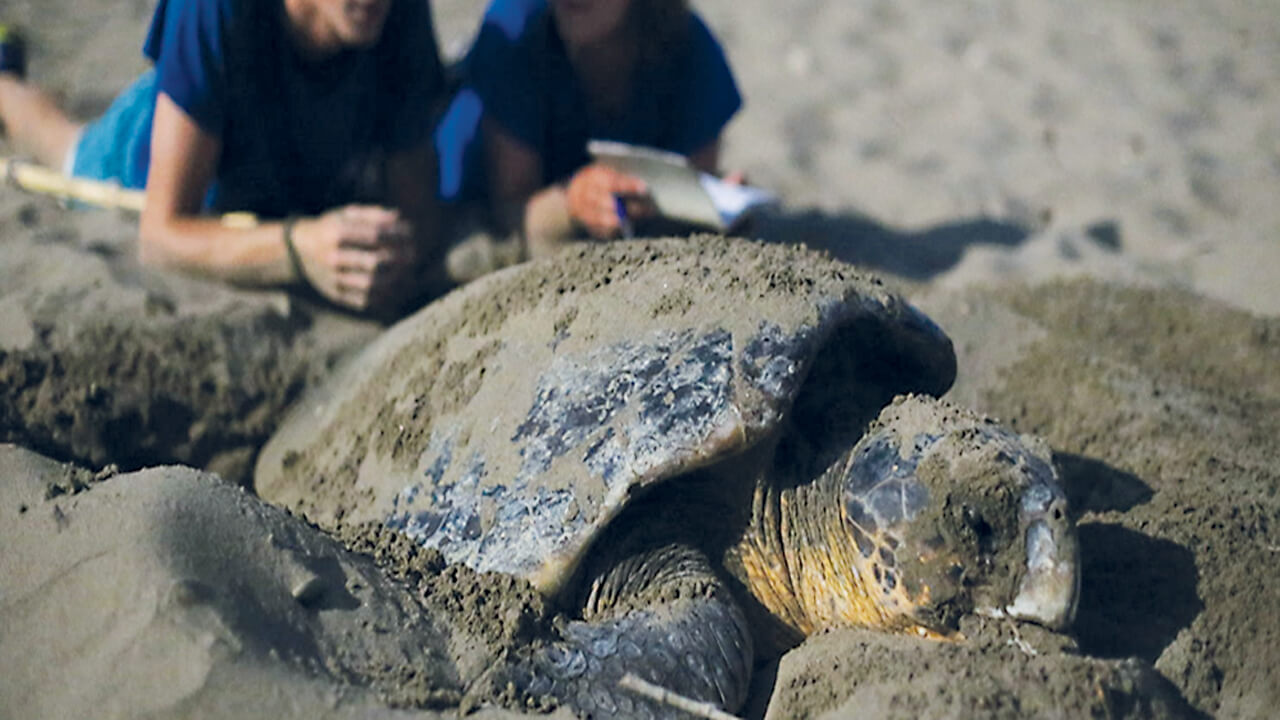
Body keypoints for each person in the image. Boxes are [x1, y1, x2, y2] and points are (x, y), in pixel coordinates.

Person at [0, 0, 448, 314]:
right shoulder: (216, 7)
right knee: (60, 143)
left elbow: (419, 212)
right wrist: (298, 249)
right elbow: (160, 236)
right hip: (149, 155)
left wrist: (394, 259)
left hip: (286, 180)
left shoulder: (394, 12)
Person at [435, 0, 741, 267]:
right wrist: (572, 203)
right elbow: (510, 211)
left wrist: (719, 202)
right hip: (460, 210)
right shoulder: (517, 25)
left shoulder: (688, 45)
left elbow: (695, 199)